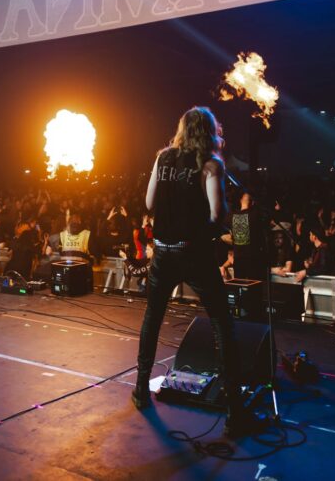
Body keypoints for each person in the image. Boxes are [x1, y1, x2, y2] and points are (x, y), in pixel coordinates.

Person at [133, 106, 261, 437]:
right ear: (210, 132)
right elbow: (217, 213)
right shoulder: (210, 163)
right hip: (194, 253)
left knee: (153, 317)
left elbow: (149, 203)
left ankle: (140, 390)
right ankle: (234, 410)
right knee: (222, 322)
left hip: (163, 252)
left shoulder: (163, 158)